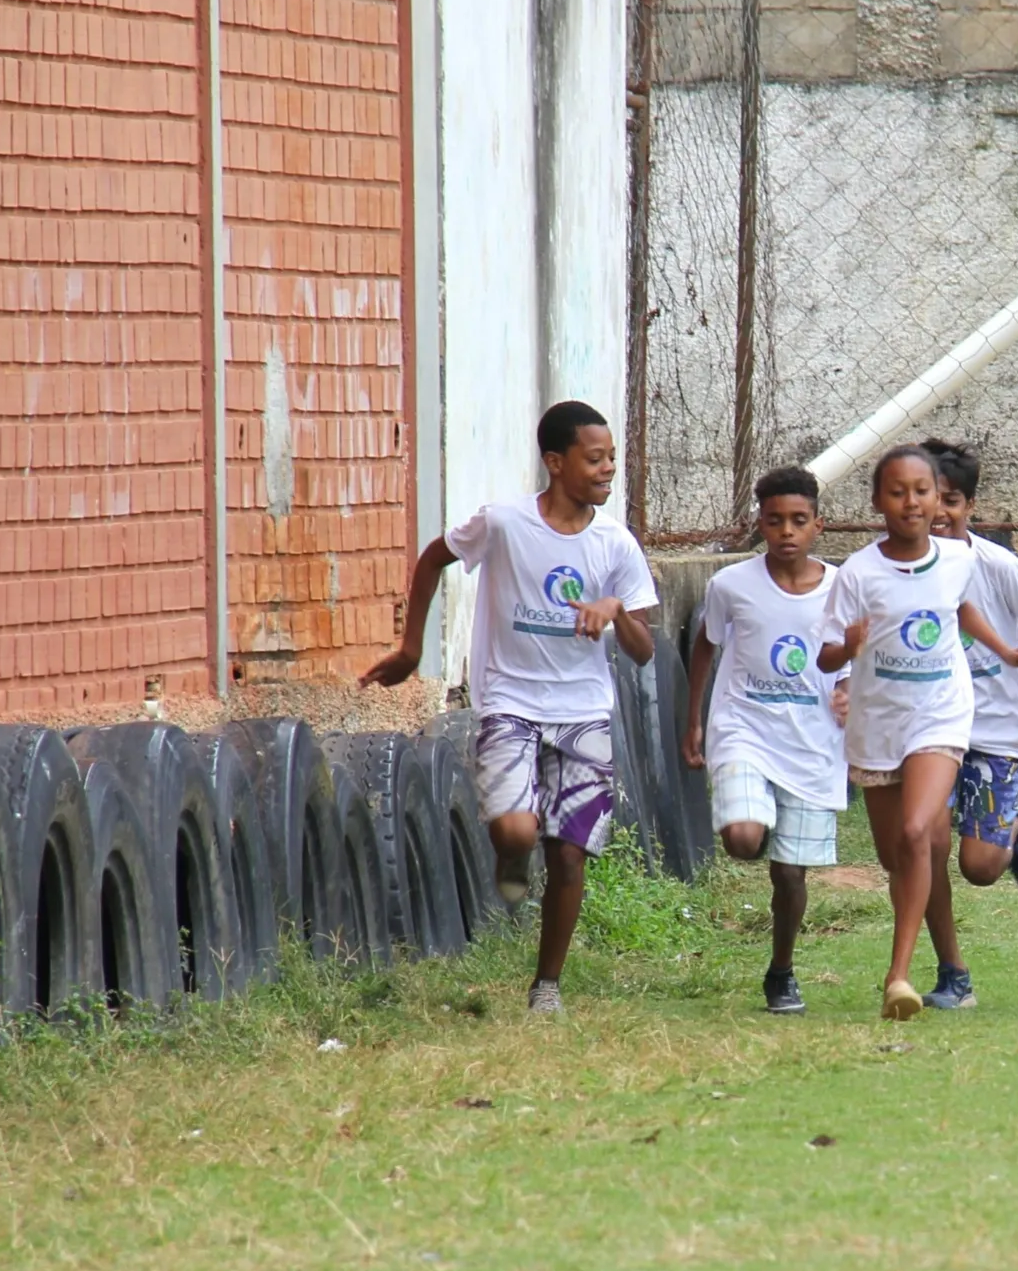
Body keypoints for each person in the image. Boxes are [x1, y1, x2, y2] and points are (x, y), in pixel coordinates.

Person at [362, 400, 658, 1016]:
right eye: (594, 458)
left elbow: (644, 649)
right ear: (556, 461)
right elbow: (434, 558)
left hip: (584, 712)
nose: (608, 470)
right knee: (518, 829)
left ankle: (546, 985)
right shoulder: (504, 524)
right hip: (511, 701)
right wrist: (413, 647)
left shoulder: (616, 544)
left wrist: (616, 610)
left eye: (612, 458)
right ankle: (510, 853)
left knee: (570, 852)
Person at [818, 445, 1018, 1021]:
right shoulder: (859, 573)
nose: (911, 502)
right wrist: (848, 648)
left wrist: (1005, 651)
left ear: (938, 497)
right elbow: (823, 655)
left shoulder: (958, 559)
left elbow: (962, 610)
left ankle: (898, 976)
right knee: (905, 855)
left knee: (918, 831)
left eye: (921, 490)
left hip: (941, 714)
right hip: (877, 722)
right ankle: (947, 970)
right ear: (876, 502)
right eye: (897, 492)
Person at [682, 466, 849, 1017]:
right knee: (744, 839)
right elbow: (706, 646)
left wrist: (851, 689)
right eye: (775, 521)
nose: (786, 532)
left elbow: (859, 651)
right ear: (760, 524)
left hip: (813, 744)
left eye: (799, 521)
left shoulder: (843, 587)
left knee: (789, 873)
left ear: (818, 525)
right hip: (744, 730)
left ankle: (781, 972)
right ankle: (754, 814)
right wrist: (695, 719)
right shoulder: (731, 585)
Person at [915, 437, 1018, 1011]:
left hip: (995, 733)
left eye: (951, 501)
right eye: (928, 498)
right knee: (927, 847)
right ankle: (952, 974)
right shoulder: (897, 567)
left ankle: (1013, 825)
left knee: (979, 868)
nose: (937, 513)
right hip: (927, 732)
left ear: (970, 506)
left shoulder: (997, 566)